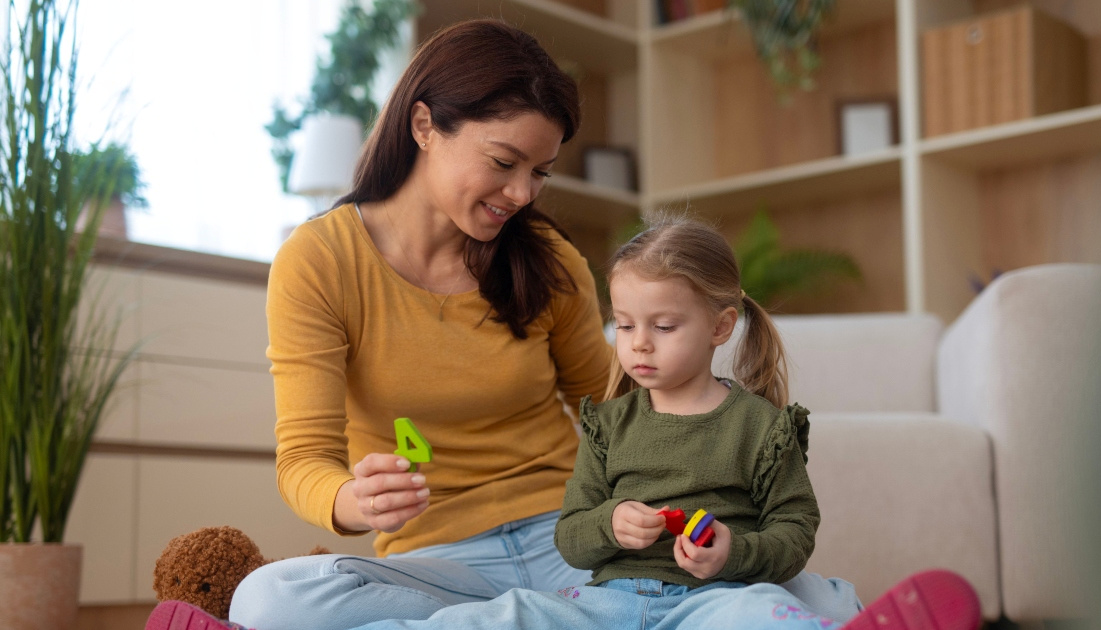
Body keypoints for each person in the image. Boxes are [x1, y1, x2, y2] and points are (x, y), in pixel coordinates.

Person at [144, 19, 862, 630]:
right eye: (503, 162)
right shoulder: (319, 261)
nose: (522, 194)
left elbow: (617, 403)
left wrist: (686, 503)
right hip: (442, 561)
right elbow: (303, 458)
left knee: (780, 583)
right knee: (271, 596)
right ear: (424, 124)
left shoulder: (546, 259)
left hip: (573, 537)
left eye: (541, 172)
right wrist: (348, 499)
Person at [329, 216, 981, 630]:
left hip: (716, 601)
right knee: (513, 615)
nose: (638, 344)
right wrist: (609, 524)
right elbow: (572, 538)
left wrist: (735, 552)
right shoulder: (608, 424)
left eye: (664, 327)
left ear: (720, 327)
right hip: (607, 601)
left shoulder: (760, 426)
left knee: (764, 617)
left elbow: (794, 532)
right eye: (626, 325)